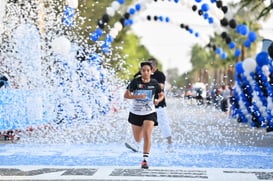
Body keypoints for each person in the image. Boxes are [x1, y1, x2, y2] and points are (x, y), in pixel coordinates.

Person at [124, 61, 164, 169]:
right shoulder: (135, 82)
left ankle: (145, 160)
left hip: (149, 112)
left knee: (147, 134)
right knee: (137, 138)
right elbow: (126, 95)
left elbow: (161, 95)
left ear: (151, 72)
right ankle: (139, 136)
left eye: (148, 70)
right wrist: (137, 97)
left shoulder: (154, 83)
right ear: (141, 71)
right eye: (143, 70)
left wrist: (158, 100)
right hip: (135, 113)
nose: (145, 72)